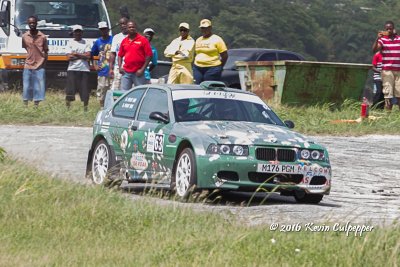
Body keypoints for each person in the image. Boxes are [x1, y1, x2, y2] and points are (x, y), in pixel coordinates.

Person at [372, 20, 400, 110]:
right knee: (388, 95)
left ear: (393, 29)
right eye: (387, 29)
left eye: (390, 28)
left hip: (398, 71)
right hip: (387, 70)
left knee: (399, 94)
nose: (388, 30)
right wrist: (377, 38)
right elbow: (375, 50)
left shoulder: (399, 39)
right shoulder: (382, 40)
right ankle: (387, 115)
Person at [21, 15, 48, 107]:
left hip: (40, 65)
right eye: (30, 23)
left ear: (37, 23)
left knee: (38, 86)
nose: (32, 24)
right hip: (28, 64)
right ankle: (25, 105)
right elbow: (26, 48)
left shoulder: (42, 36)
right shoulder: (24, 36)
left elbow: (46, 50)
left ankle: (36, 105)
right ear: (28, 24)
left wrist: (44, 63)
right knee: (26, 86)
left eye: (34, 22)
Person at [117, 20, 153, 90]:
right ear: (127, 29)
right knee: (124, 93)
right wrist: (119, 67)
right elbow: (120, 55)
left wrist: (142, 69)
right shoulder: (124, 41)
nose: (131, 28)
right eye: (129, 27)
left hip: (138, 72)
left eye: (133, 27)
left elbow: (149, 55)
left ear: (136, 28)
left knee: (140, 92)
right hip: (126, 72)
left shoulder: (143, 40)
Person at [193, 19, 228, 84]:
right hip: (197, 68)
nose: (204, 30)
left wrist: (219, 67)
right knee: (196, 87)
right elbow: (196, 53)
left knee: (208, 88)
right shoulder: (198, 40)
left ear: (210, 28)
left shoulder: (217, 39)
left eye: (206, 28)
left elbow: (224, 55)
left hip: (212, 68)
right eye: (202, 28)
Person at [66, 25, 91, 111]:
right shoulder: (70, 43)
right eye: (76, 32)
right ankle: (68, 108)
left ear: (82, 32)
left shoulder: (86, 42)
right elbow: (69, 58)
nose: (78, 33)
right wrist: (82, 56)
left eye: (79, 31)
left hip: (84, 69)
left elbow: (88, 56)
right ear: (73, 33)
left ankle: (85, 108)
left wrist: (76, 54)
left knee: (84, 90)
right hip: (72, 69)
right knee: (70, 90)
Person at [91, 21, 113, 107]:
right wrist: (95, 65)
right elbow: (92, 54)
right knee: (102, 90)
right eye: (102, 29)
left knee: (112, 89)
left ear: (108, 29)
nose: (104, 31)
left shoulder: (113, 39)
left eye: (105, 29)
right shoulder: (97, 42)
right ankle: (101, 107)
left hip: (111, 69)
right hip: (102, 70)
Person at [109, 17, 128, 90]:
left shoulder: (132, 37)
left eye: (125, 23)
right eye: (121, 24)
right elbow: (113, 54)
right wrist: (110, 68)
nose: (123, 25)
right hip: (118, 67)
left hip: (129, 68)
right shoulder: (116, 37)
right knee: (115, 88)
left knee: (126, 89)